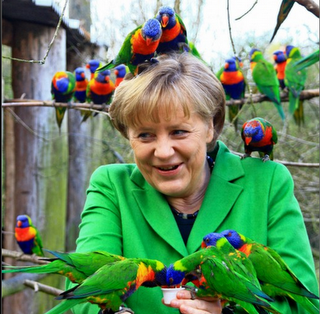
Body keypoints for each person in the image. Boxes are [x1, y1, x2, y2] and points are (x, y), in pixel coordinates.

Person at [68, 52, 319, 314]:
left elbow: (306, 305)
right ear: (128, 136)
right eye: (145, 135)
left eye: (179, 131)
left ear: (211, 126)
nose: (163, 151)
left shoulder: (267, 182)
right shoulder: (111, 186)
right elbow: (84, 296)